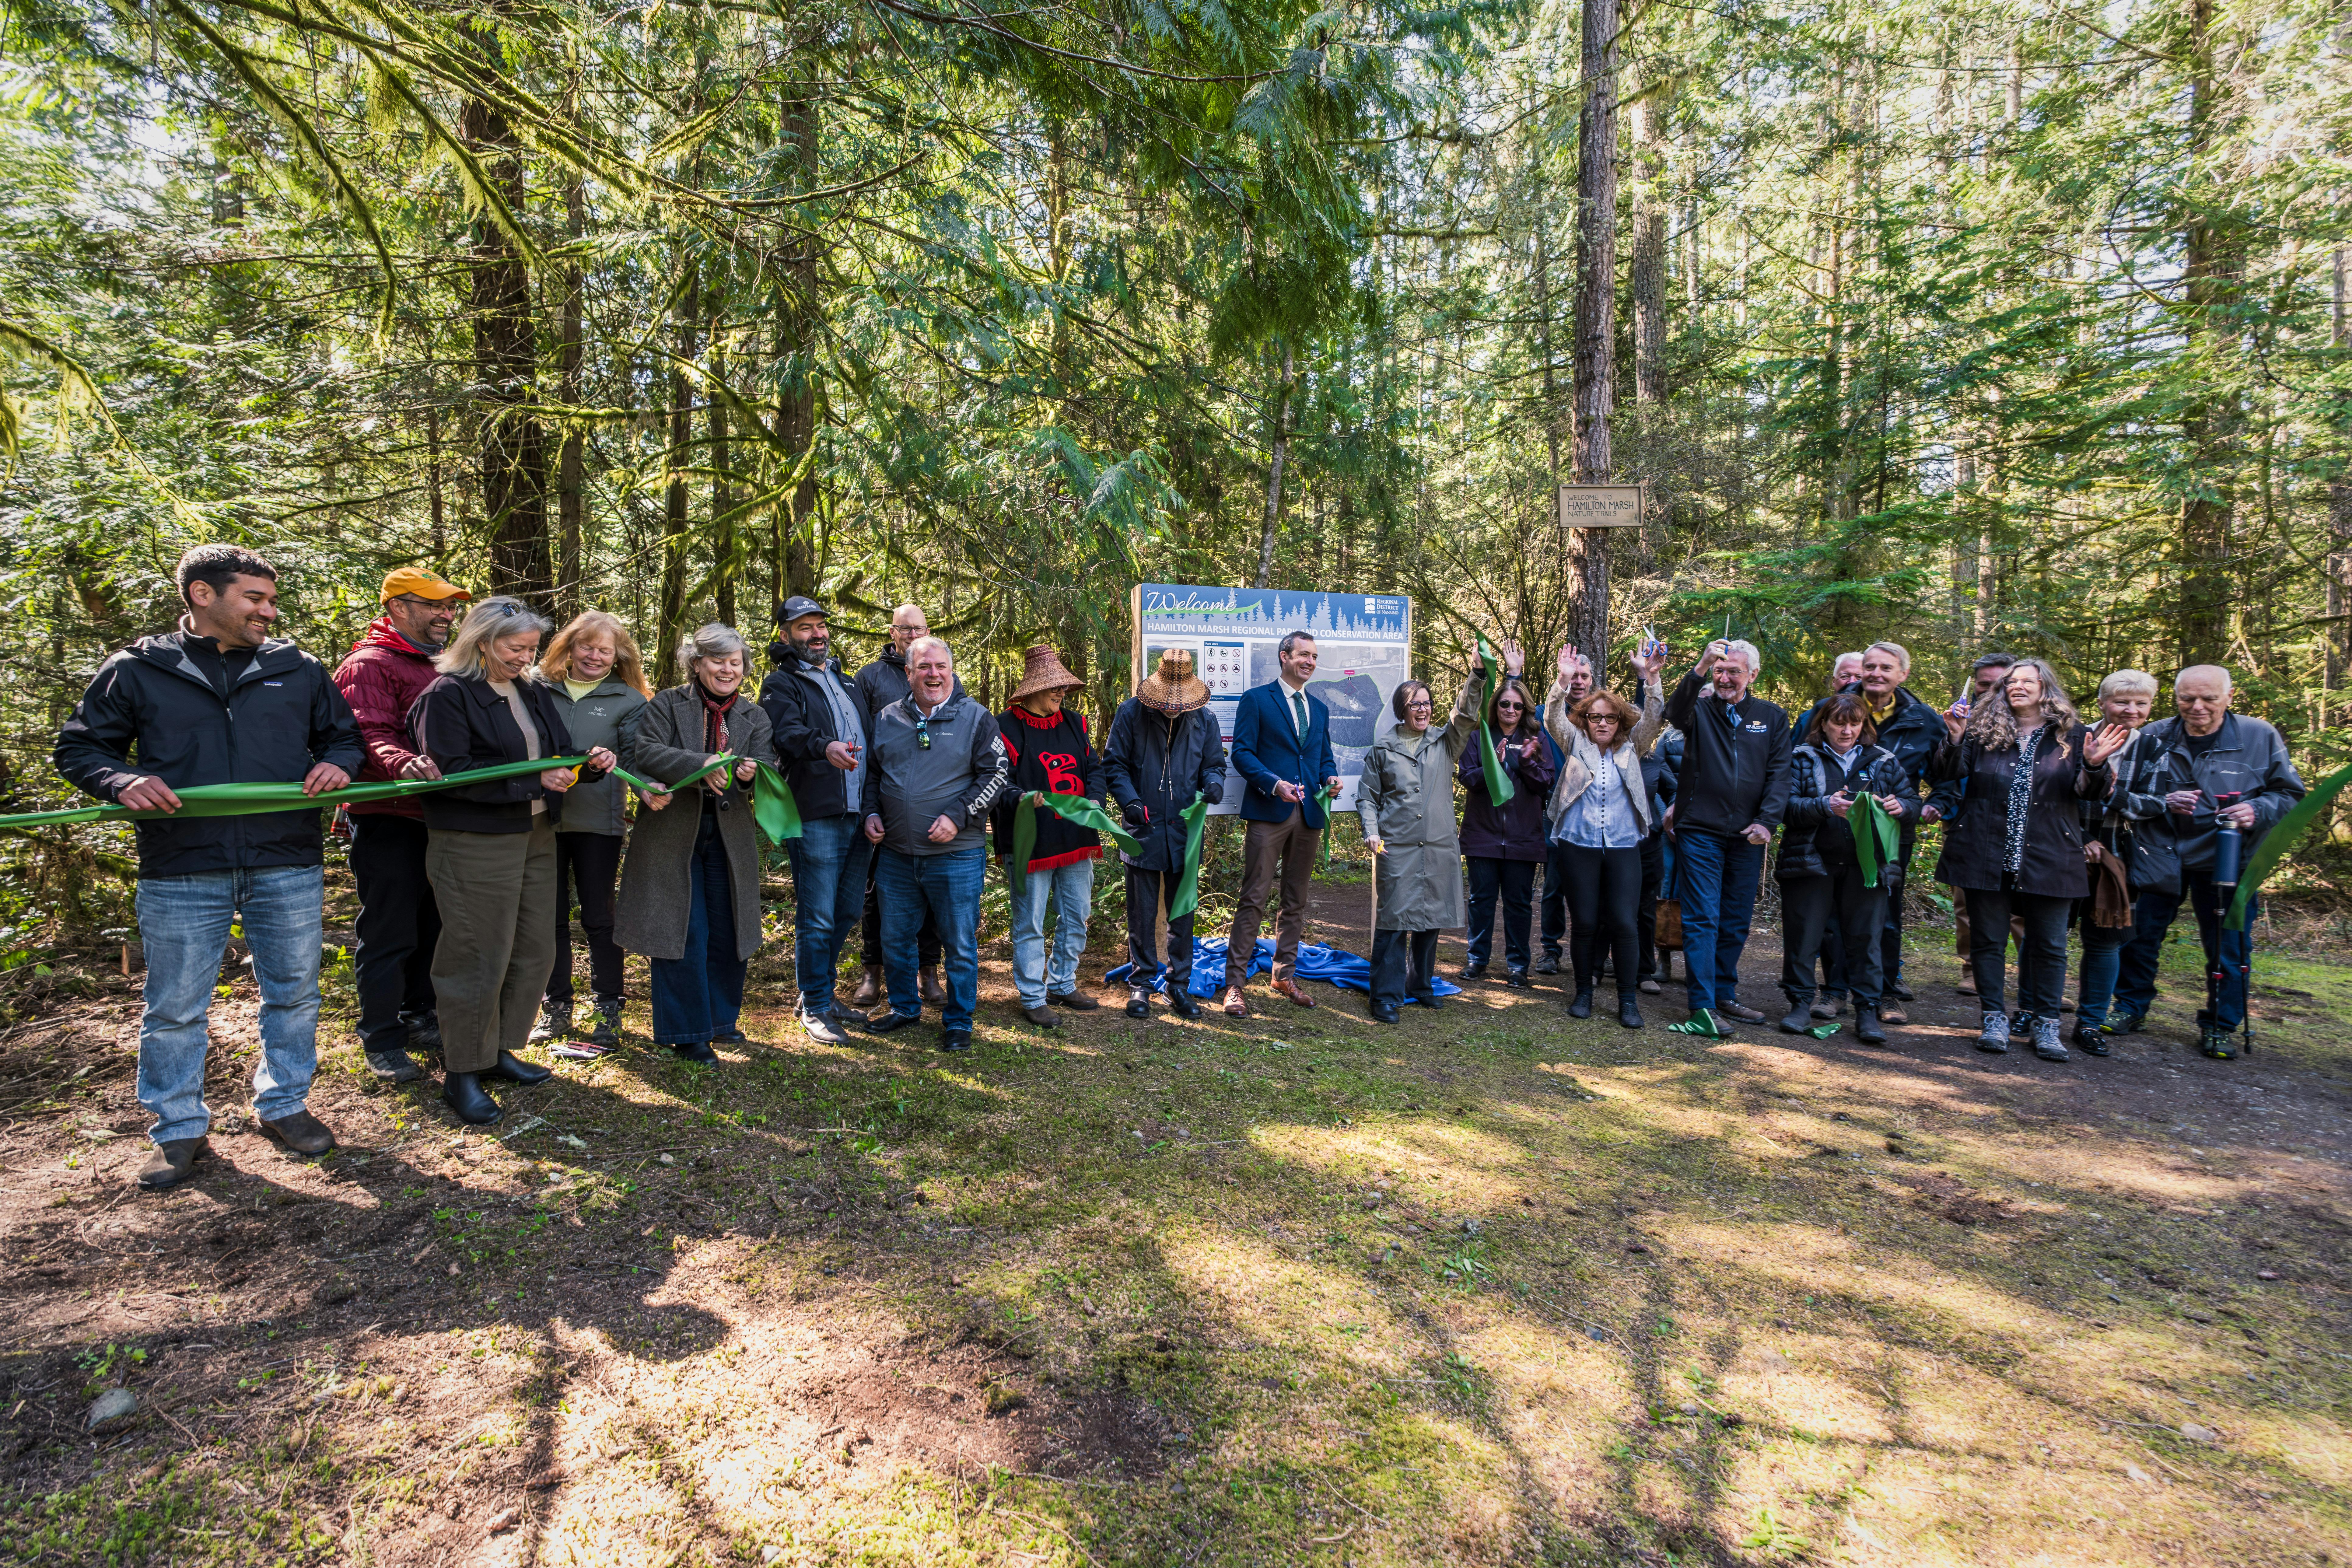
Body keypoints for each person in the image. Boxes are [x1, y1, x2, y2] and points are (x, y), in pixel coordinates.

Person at [56, 545, 363, 1187]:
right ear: (202, 594)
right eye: (255, 598)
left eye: (271, 600)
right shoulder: (137, 670)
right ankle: (177, 1128)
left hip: (286, 857)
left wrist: (337, 763)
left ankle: (284, 1104)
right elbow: (81, 747)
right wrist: (119, 779)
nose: (268, 612)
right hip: (182, 863)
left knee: (295, 993)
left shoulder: (297, 668)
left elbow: (343, 736)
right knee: (174, 1005)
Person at [410, 597, 613, 1124]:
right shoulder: (447, 695)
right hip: (475, 838)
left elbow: (556, 755)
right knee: (478, 953)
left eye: (530, 648)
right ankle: (462, 1070)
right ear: (482, 642)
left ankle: (500, 1048)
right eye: (514, 648)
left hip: (537, 829)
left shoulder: (528, 690)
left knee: (533, 946)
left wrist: (587, 766)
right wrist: (532, 780)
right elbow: (453, 774)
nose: (526, 657)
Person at [1928, 658, 2128, 1062]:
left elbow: (2092, 793)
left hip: (2051, 853)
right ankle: (1994, 1019)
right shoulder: (1981, 733)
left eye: (2026, 681)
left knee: (2050, 944)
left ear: (2045, 688)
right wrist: (1953, 739)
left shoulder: (2075, 735)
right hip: (1983, 850)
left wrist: (2093, 764)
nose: (2017, 686)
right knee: (1987, 940)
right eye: (2010, 682)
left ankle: (2046, 1024)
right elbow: (1946, 775)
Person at [2110, 665, 2305, 1060]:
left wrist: (2257, 809)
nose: (2197, 707)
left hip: (2227, 857)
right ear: (2176, 698)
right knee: (2139, 936)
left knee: (2228, 945)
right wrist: (2165, 802)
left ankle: (2221, 1024)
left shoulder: (2259, 735)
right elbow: (2123, 792)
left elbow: (2289, 794)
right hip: (2160, 852)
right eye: (2187, 699)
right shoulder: (2153, 735)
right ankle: (2130, 1008)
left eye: (2209, 699)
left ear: (2229, 697)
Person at [332, 566, 470, 1083]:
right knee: (390, 928)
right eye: (435, 605)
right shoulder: (369, 663)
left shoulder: (444, 664)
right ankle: (381, 1036)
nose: (446, 614)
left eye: (450, 607)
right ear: (398, 607)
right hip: (387, 816)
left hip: (440, 815)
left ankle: (420, 1015)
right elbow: (364, 730)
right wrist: (400, 762)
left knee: (435, 924)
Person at [613, 624, 772, 1064]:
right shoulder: (667, 703)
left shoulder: (754, 715)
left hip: (729, 833)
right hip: (672, 830)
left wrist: (750, 772)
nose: (727, 670)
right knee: (683, 928)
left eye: (735, 663)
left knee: (728, 927)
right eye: (717, 661)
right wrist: (700, 763)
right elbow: (645, 751)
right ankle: (688, 1032)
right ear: (697, 664)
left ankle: (721, 1021)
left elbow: (766, 760)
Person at [861, 636, 1011, 1052]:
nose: (934, 674)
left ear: (951, 669)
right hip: (895, 855)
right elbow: (873, 776)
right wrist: (871, 813)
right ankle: (905, 1008)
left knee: (959, 943)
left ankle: (959, 1021)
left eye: (941, 666)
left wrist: (959, 815)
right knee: (895, 938)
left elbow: (997, 776)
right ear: (907, 673)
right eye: (924, 667)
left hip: (956, 856)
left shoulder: (977, 718)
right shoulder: (888, 718)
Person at [1801, 641, 1949, 1022]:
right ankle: (1834, 991)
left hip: (1890, 835)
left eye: (1886, 667)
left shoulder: (1926, 720)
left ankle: (1884, 993)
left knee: (1884, 916)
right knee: (1834, 916)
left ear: (1904, 674)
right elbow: (1797, 760)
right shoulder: (1827, 709)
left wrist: (1928, 806)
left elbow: (1946, 779)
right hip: (1834, 828)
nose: (1876, 674)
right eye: (1870, 666)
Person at [530, 610, 651, 1054]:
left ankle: (607, 1008)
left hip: (599, 821)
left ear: (618, 656)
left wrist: (643, 783)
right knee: (549, 916)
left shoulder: (629, 699)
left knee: (599, 918)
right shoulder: (537, 689)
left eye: (605, 650)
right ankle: (556, 1006)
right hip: (541, 818)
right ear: (569, 648)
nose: (595, 657)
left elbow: (638, 760)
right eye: (587, 647)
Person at [759, 596, 874, 1046]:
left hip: (857, 812)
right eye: (805, 627)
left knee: (847, 910)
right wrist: (824, 745)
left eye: (821, 625)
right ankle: (814, 1004)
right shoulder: (781, 683)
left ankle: (822, 993)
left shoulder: (845, 681)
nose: (817, 634)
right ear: (786, 636)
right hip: (816, 814)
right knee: (818, 915)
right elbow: (785, 734)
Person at [1774, 694, 1921, 1046]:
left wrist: (1900, 806)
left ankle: (1867, 1010)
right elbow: (1784, 807)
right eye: (1839, 722)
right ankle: (1799, 1004)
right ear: (1823, 723)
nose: (1847, 730)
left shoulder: (1884, 761)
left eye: (1854, 723)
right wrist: (1826, 806)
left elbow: (1914, 804)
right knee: (1804, 936)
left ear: (1864, 725)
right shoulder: (1802, 758)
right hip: (1810, 862)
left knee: (1866, 938)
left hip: (1866, 867)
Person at [1661, 639, 1791, 1033]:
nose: (1725, 678)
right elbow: (1673, 712)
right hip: (1700, 830)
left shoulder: (1772, 717)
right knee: (1703, 918)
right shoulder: (1699, 711)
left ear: (1753, 675)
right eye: (1720, 670)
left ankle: (1724, 994)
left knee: (1735, 920)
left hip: (1748, 836)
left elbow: (1779, 774)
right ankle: (1701, 1006)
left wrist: (1768, 822)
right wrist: (1700, 666)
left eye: (1734, 671)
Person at [1543, 642, 1670, 1027]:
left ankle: (1627, 1001)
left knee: (1624, 922)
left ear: (1620, 722)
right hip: (1578, 845)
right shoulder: (1574, 741)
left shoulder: (1632, 746)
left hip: (1623, 847)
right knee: (1584, 921)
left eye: (1610, 718)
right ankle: (1583, 993)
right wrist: (1562, 682)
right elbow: (1553, 718)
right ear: (1585, 719)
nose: (1602, 723)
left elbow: (1654, 715)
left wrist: (1652, 677)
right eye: (1595, 717)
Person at [1224, 630, 1343, 1016]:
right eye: (1303, 655)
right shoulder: (1257, 700)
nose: (1310, 661)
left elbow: (1323, 758)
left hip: (1309, 816)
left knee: (1296, 901)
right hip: (1268, 812)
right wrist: (1274, 785)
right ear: (1284, 657)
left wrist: (1330, 778)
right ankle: (1235, 985)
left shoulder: (1320, 710)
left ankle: (1284, 975)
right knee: (1254, 897)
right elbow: (1241, 753)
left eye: (1314, 656)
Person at [849, 603, 961, 1008]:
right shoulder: (870, 678)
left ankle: (928, 973)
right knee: (875, 894)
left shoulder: (947, 675)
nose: (913, 636)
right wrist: (869, 808)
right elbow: (861, 745)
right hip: (884, 805)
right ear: (892, 632)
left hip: (936, 804)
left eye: (920, 629)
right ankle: (872, 972)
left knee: (930, 892)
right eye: (905, 629)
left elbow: (960, 729)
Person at [1103, 650, 1226, 1019]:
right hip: (1142, 827)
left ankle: (1178, 986)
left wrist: (1214, 784)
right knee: (1141, 913)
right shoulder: (1131, 714)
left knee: (1183, 914)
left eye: (1180, 702)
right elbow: (1114, 765)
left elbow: (1215, 764)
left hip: (1185, 831)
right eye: (1167, 701)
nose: (1173, 707)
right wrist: (1130, 801)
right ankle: (1141, 984)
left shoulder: (1205, 719)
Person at [1357, 671, 1483, 1022]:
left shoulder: (1445, 741)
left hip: (1439, 845)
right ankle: (1384, 996)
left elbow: (1466, 714)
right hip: (1396, 846)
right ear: (1403, 710)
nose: (1424, 710)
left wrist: (1476, 675)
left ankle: (1421, 985)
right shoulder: (1383, 749)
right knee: (1394, 920)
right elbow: (1367, 798)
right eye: (1416, 704)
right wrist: (1372, 831)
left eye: (1427, 703)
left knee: (1431, 918)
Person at [990, 645, 1105, 1027]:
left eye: (1064, 689)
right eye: (1055, 688)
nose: (1061, 694)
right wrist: (1021, 798)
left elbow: (1095, 768)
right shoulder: (1005, 727)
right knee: (1030, 921)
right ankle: (1033, 995)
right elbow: (995, 781)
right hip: (1030, 840)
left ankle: (1062, 982)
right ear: (1033, 690)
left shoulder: (1076, 723)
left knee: (1077, 915)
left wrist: (1094, 799)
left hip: (1076, 836)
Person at [2071, 670, 2164, 1054]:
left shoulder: (2155, 748)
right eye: (2122, 702)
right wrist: (2081, 837)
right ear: (2102, 702)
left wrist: (2112, 791)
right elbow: (2049, 793)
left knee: (2106, 943)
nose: (2132, 710)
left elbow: (2156, 804)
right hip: (2063, 849)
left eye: (2141, 703)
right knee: (2048, 936)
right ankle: (2032, 1009)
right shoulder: (2074, 736)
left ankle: (2090, 1022)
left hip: (2118, 860)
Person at [1456, 649, 1554, 987]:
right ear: (1495, 707)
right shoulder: (1479, 735)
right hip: (1483, 834)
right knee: (1481, 900)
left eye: (1517, 706)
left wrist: (1526, 762)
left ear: (1525, 709)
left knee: (1519, 903)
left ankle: (1517, 965)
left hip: (1523, 837)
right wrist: (1492, 765)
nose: (1510, 711)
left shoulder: (1537, 738)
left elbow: (1546, 784)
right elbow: (1467, 777)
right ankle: (1476, 959)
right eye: (1504, 705)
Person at [1934, 651, 2020, 996]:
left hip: (2019, 826)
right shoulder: (1961, 721)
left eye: (2000, 684)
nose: (1991, 691)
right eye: (1984, 684)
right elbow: (1943, 771)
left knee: (2024, 907)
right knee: (1968, 903)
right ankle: (1972, 969)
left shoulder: (2033, 724)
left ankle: (2034, 973)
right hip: (1966, 822)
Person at [1535, 647, 1596, 975]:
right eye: (1573, 675)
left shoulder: (1603, 715)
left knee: (1598, 883)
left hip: (1596, 811)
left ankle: (1598, 952)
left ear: (1592, 680)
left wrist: (1646, 679)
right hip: (1557, 809)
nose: (1578, 681)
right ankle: (1550, 949)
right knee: (1555, 883)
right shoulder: (1547, 714)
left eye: (1584, 676)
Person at [1635, 724, 1682, 994]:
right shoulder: (1601, 755)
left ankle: (1644, 971)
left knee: (1646, 909)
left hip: (1648, 843)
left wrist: (1671, 811)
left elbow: (1674, 791)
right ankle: (1597, 967)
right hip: (1612, 844)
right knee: (1608, 907)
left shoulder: (1653, 760)